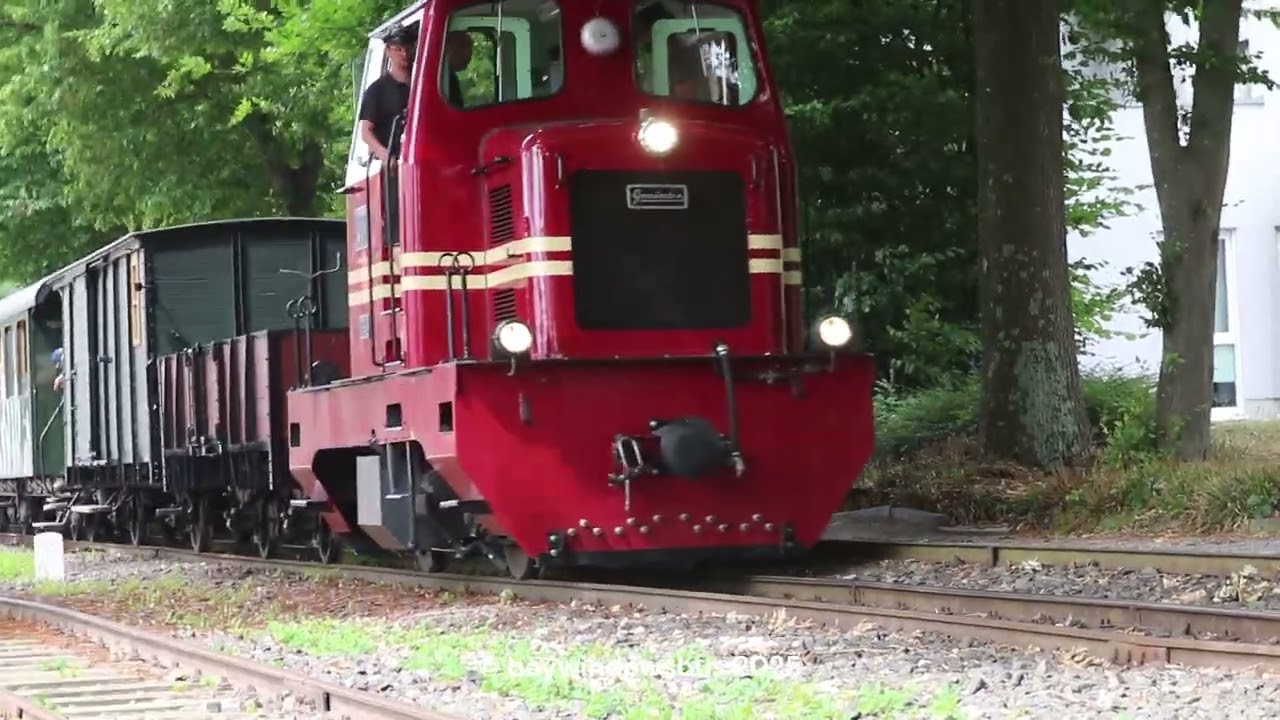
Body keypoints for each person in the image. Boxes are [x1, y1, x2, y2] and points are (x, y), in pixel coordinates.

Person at [359, 23, 418, 163]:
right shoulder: (376, 90)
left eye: (408, 48)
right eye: (398, 49)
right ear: (388, 51)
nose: (404, 54)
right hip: (395, 167)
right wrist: (384, 153)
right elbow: (366, 132)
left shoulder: (421, 83)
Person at [443, 30, 473, 107]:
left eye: (470, 47)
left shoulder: (450, 77)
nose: (469, 54)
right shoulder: (439, 79)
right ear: (447, 47)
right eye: (462, 46)